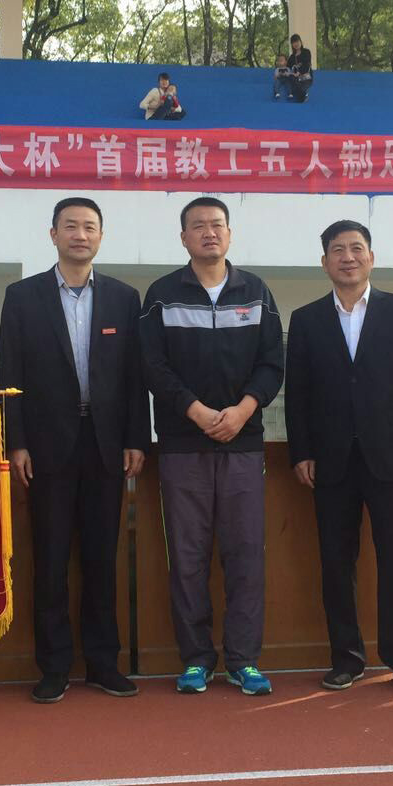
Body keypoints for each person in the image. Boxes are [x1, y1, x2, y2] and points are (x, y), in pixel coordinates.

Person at [0, 198, 150, 704]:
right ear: (53, 234)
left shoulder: (124, 298)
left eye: (89, 227)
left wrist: (136, 437)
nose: (80, 235)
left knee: (102, 558)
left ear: (100, 236)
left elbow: (134, 377)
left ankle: (104, 663)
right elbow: (10, 373)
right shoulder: (22, 297)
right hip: (46, 447)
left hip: (106, 445)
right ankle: (54, 666)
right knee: (51, 558)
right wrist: (16, 441)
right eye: (70, 226)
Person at [139, 198, 283, 696]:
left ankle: (244, 660)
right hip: (183, 445)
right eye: (197, 226)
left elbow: (272, 363)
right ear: (183, 238)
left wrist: (243, 409)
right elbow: (153, 366)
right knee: (187, 555)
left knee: (245, 554)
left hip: (243, 444)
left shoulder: (256, 292)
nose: (208, 233)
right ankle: (196, 659)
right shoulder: (162, 295)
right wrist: (195, 411)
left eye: (217, 225)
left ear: (230, 234)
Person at [285, 220, 393, 694]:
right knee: (336, 563)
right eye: (337, 250)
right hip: (330, 460)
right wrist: (301, 451)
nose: (347, 257)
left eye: (356, 248)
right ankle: (346, 658)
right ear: (324, 261)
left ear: (371, 257)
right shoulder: (306, 319)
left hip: (391, 456)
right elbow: (298, 393)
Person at [285, 34, 313, 102]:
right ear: (292, 45)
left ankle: (303, 95)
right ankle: (303, 96)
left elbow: (307, 64)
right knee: (292, 80)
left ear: (300, 42)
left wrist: (299, 72)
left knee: (300, 89)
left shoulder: (306, 52)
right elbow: (287, 68)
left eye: (297, 41)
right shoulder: (291, 57)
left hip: (306, 77)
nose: (296, 44)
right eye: (293, 42)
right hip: (296, 79)